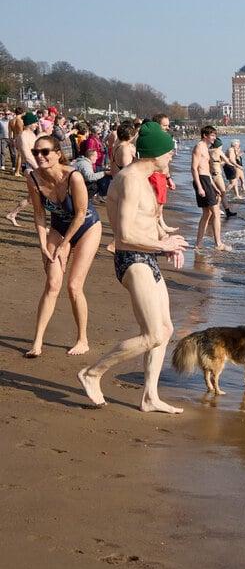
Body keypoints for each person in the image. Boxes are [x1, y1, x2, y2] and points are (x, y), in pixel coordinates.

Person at [77, 121, 188, 414]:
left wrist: (166, 242)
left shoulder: (144, 179)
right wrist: (163, 246)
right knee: (153, 333)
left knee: (164, 329)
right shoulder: (129, 179)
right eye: (169, 153)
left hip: (147, 257)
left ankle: (150, 397)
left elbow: (146, 224)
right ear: (155, 154)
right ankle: (92, 373)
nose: (171, 158)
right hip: (132, 260)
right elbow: (124, 234)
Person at [24, 135, 102, 358]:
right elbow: (39, 215)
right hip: (58, 228)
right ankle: (37, 342)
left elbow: (79, 215)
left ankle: (82, 339)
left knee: (73, 286)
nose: (40, 156)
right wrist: (42, 245)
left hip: (86, 227)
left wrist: (64, 245)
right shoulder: (33, 179)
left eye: (45, 151)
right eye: (36, 152)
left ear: (57, 153)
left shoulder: (73, 177)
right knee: (52, 283)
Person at [191, 125, 231, 250]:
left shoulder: (206, 148)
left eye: (215, 135)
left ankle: (198, 243)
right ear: (205, 135)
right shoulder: (199, 147)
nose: (214, 138)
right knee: (215, 212)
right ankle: (218, 243)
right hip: (202, 181)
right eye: (212, 135)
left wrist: (213, 186)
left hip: (207, 180)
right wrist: (200, 187)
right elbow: (194, 168)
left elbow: (206, 170)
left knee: (207, 213)